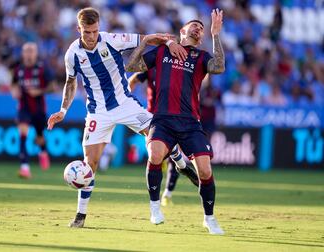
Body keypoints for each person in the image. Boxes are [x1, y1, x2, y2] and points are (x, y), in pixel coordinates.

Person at [46, 7, 190, 228]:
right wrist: (63, 110)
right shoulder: (72, 54)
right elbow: (70, 82)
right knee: (89, 165)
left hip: (125, 103)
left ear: (99, 28)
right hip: (97, 112)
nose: (91, 36)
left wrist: (169, 43)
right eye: (87, 32)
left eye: (94, 31)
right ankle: (80, 217)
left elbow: (147, 39)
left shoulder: (112, 40)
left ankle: (180, 161)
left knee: (160, 132)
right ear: (78, 29)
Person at [125, 9, 225, 234]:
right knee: (155, 155)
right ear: (182, 31)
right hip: (162, 119)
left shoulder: (201, 57)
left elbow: (219, 67)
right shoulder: (161, 52)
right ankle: (155, 209)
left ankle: (209, 219)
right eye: (194, 25)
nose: (199, 28)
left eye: (202, 27)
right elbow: (132, 67)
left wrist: (216, 34)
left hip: (190, 122)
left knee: (205, 172)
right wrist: (147, 41)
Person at [128, 71, 199, 207]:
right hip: (153, 119)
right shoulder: (152, 67)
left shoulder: (177, 70)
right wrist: (127, 97)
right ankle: (159, 193)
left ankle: (167, 193)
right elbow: (134, 79)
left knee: (173, 155)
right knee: (156, 158)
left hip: (173, 117)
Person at [11, 42, 55, 179]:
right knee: (22, 134)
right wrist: (14, 91)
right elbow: (13, 84)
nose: (29, 54)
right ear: (23, 53)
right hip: (23, 107)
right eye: (26, 51)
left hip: (39, 108)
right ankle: (24, 167)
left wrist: (39, 91)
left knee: (39, 136)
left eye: (31, 51)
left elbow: (53, 87)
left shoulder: (42, 68)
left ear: (36, 53)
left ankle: (43, 151)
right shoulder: (18, 69)